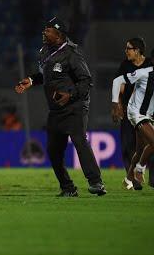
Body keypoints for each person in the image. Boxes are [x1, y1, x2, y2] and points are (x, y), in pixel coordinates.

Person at [15, 16, 106, 197]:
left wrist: (70, 95)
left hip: (75, 107)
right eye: (44, 29)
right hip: (56, 109)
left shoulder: (72, 54)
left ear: (59, 35)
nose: (44, 32)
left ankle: (96, 182)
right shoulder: (44, 51)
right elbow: (44, 75)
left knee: (79, 141)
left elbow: (86, 80)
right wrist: (31, 80)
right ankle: (68, 187)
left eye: (48, 30)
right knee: (53, 150)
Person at [111, 37, 153, 189]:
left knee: (142, 147)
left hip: (148, 112)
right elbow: (119, 84)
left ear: (137, 50)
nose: (126, 51)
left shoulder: (149, 64)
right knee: (129, 145)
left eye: (128, 48)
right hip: (134, 112)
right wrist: (117, 105)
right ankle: (137, 176)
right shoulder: (128, 66)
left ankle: (130, 178)